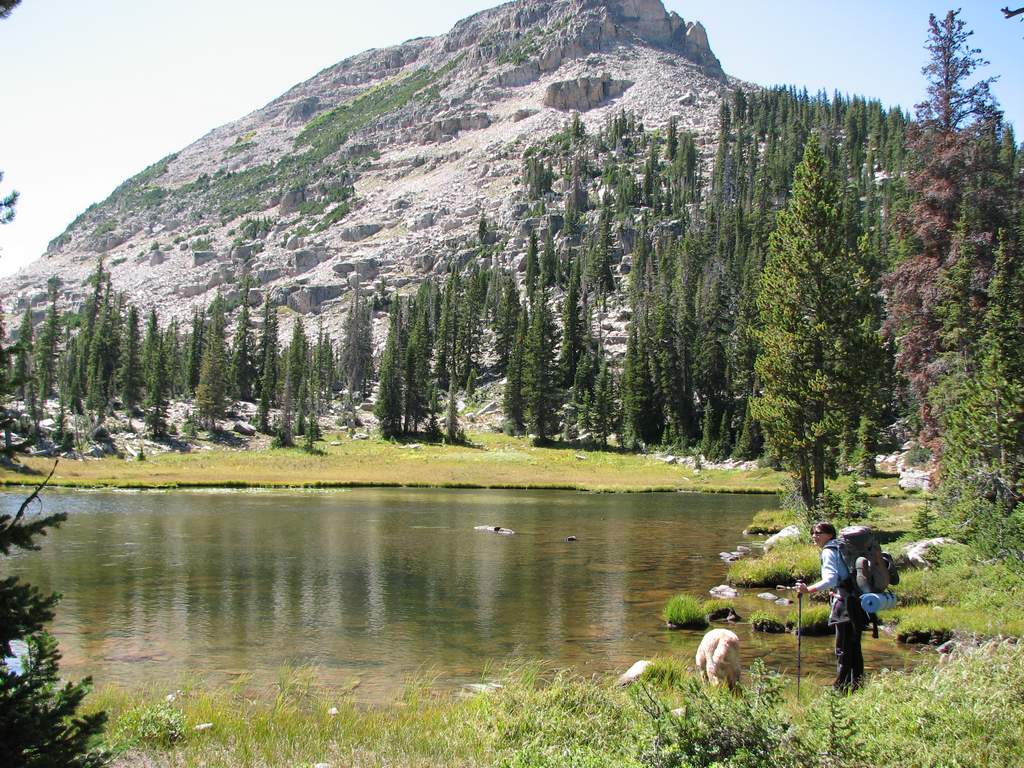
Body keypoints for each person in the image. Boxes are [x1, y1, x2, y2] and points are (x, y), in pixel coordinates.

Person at [796, 521, 865, 691]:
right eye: (813, 532)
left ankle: (840, 688)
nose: (814, 536)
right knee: (854, 646)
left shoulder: (829, 551)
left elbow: (830, 579)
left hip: (844, 605)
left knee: (842, 648)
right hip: (859, 602)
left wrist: (808, 589)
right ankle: (857, 685)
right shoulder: (843, 547)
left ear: (830, 535)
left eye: (818, 533)